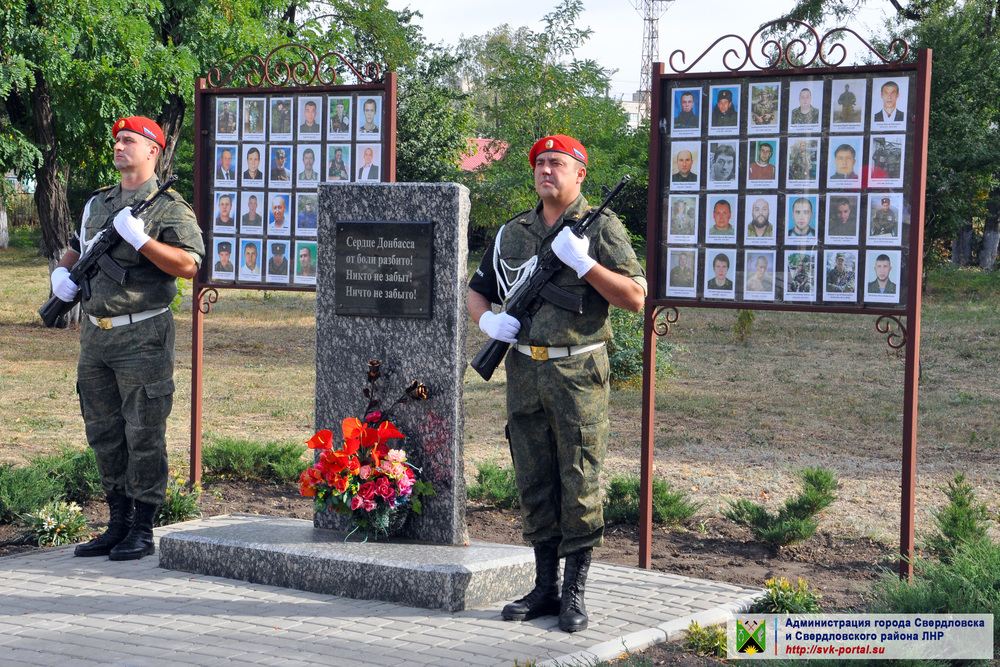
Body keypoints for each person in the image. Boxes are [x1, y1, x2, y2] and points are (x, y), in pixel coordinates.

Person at [466, 134, 645, 633]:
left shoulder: (601, 228)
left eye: (558, 163)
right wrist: (486, 324)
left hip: (577, 373)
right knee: (534, 476)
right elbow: (477, 291)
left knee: (579, 476)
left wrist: (586, 264)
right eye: (541, 163)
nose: (547, 170)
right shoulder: (513, 232)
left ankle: (574, 593)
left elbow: (635, 297)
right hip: (524, 370)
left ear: (579, 173)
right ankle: (544, 588)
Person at [49, 116, 203, 561]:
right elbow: (79, 245)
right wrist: (63, 271)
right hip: (96, 338)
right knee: (103, 432)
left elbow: (190, 265)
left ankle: (142, 527)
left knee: (144, 433)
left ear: (153, 150)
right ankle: (116, 523)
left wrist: (143, 242)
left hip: (143, 334)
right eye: (116, 140)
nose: (119, 146)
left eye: (129, 141)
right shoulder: (99, 202)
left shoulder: (169, 207)